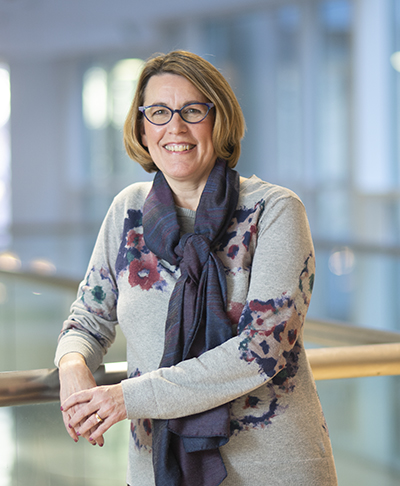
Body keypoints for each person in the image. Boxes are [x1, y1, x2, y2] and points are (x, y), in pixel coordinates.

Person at [56, 50, 338, 486]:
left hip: (274, 468)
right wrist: (73, 366)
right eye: (159, 112)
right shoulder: (127, 211)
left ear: (219, 119)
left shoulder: (274, 210)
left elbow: (264, 348)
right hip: (156, 467)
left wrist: (126, 398)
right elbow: (89, 317)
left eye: (192, 110)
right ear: (142, 127)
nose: (175, 127)